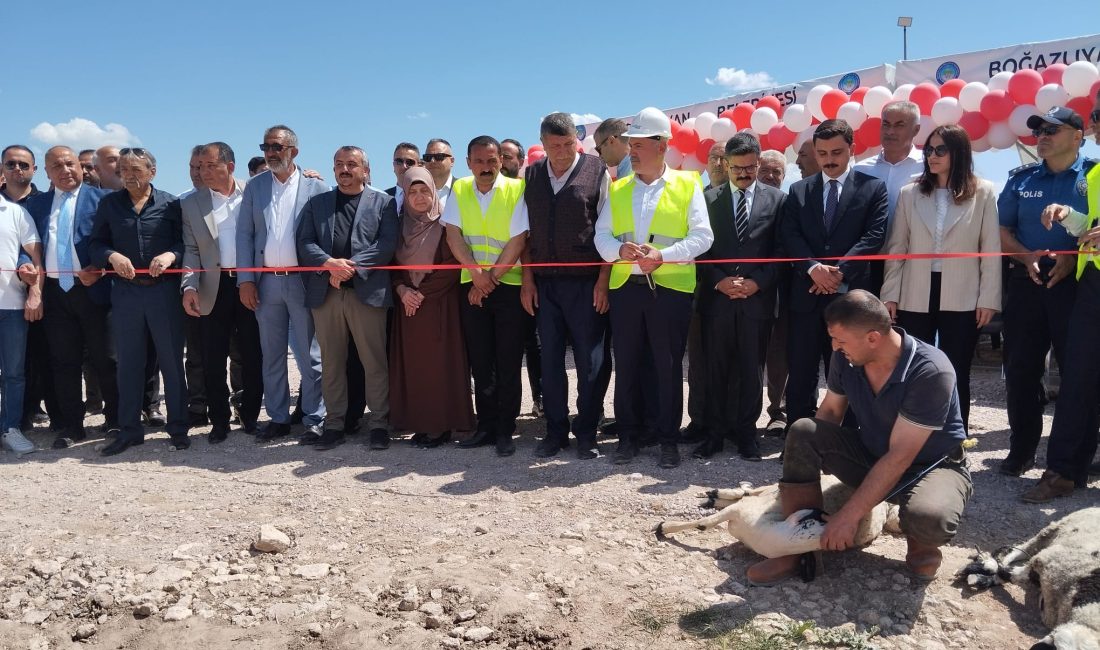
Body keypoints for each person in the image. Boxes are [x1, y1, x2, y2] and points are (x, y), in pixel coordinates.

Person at [746, 291, 971, 586]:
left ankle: (921, 543)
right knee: (803, 430)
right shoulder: (847, 357)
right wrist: (804, 464)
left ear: (873, 338)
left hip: (930, 466)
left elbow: (901, 456)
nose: (834, 347)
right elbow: (829, 412)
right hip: (875, 454)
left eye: (840, 340)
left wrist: (848, 517)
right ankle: (799, 548)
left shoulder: (930, 371)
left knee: (930, 517)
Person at [594, 107, 714, 469]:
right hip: (627, 288)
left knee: (667, 365)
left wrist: (664, 255)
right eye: (630, 144)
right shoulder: (617, 189)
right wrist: (619, 251)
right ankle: (628, 437)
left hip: (670, 290)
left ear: (662, 146)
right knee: (627, 365)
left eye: (640, 145)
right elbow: (601, 236)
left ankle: (667, 439)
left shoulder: (688, 184)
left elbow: (703, 237)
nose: (631, 151)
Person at [881, 124, 1001, 431]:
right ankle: (910, 434)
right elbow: (897, 247)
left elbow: (990, 249)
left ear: (958, 153)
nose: (931, 156)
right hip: (915, 291)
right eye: (929, 150)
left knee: (957, 366)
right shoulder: (911, 193)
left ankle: (954, 436)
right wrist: (890, 294)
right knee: (913, 366)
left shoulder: (984, 192)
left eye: (940, 150)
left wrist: (988, 298)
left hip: (963, 293)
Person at [996, 106, 1092, 477]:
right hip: (1027, 280)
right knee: (1020, 368)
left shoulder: (1094, 175)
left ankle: (1078, 459)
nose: (1043, 136)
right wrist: (1024, 256)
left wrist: (1074, 255)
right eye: (1040, 131)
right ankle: (1021, 451)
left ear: (1077, 137)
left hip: (1078, 284)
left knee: (1079, 371)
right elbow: (1003, 230)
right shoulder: (1020, 179)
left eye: (1053, 130)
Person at [779, 119, 888, 427]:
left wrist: (837, 273)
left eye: (837, 151)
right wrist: (814, 269)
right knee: (801, 370)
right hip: (805, 297)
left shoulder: (872, 188)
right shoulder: (798, 191)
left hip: (851, 299)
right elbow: (791, 236)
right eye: (823, 152)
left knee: (852, 369)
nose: (829, 159)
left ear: (851, 149)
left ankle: (853, 437)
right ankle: (799, 437)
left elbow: (874, 235)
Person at [1023, 92, 1100, 502]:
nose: (1098, 122)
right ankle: (1064, 471)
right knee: (1078, 380)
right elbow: (1093, 226)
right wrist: (1069, 217)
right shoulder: (1097, 175)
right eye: (1097, 115)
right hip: (1093, 288)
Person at [520, 114, 610, 460]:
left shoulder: (597, 171)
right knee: (550, 361)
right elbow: (524, 236)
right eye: (554, 145)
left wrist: (603, 281)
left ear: (578, 141)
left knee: (592, 361)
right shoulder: (530, 176)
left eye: (567, 144)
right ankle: (555, 431)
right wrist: (527, 280)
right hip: (545, 284)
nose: (560, 151)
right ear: (543, 144)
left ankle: (587, 432)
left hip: (586, 283)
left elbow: (608, 231)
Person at [89, 148, 189, 456]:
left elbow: (186, 243)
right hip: (126, 293)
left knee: (172, 363)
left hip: (164, 293)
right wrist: (111, 256)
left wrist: (171, 254)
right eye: (123, 170)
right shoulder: (109, 204)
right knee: (129, 364)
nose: (128, 176)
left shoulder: (172, 204)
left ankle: (179, 428)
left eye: (135, 170)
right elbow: (96, 244)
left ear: (152, 172)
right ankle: (129, 430)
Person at [296, 146, 397, 451]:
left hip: (366, 293)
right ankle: (335, 423)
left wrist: (350, 267)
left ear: (365, 170)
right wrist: (329, 265)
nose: (344, 169)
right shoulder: (318, 203)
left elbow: (387, 244)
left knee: (374, 362)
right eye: (339, 164)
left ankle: (379, 423)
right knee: (332, 363)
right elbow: (304, 242)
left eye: (351, 164)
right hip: (327, 293)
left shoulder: (384, 202)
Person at [695, 133, 785, 461]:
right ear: (726, 165)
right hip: (717, 300)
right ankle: (714, 434)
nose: (744, 174)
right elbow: (699, 249)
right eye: (737, 168)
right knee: (715, 370)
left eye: (750, 168)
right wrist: (718, 282)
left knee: (751, 370)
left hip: (757, 302)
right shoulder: (707, 200)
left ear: (758, 163)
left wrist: (756, 283)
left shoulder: (778, 200)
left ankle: (748, 435)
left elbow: (781, 251)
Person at [237, 125, 328, 442]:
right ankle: (277, 418)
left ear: (294, 151)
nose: (271, 153)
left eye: (277, 147)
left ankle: (315, 417)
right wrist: (245, 280)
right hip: (266, 284)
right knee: (271, 355)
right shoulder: (255, 187)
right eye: (266, 147)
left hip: (302, 282)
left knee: (310, 356)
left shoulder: (316, 188)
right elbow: (244, 235)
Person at [24, 147, 119, 449]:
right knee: (63, 362)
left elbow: (115, 241)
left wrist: (101, 269)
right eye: (57, 166)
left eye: (70, 164)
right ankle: (71, 425)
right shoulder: (36, 205)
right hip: (54, 293)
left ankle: (115, 421)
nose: (65, 170)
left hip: (94, 289)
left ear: (81, 167)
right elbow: (26, 245)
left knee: (106, 360)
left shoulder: (103, 199)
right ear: (47, 173)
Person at [443, 135, 529, 457]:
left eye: (492, 161)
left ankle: (506, 429)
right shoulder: (461, 189)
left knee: (507, 361)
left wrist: (489, 278)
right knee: (481, 361)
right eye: (479, 161)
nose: (486, 167)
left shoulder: (516, 189)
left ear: (501, 161)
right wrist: (477, 276)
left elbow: (518, 240)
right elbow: (454, 235)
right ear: (468, 163)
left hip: (507, 285)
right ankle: (486, 426)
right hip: (474, 286)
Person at [181, 142, 263, 443]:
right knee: (212, 358)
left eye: (209, 165)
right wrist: (188, 285)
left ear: (229, 166)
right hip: (212, 288)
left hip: (250, 284)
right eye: (199, 166)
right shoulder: (191, 204)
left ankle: (251, 416)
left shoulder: (254, 194)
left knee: (252, 354)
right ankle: (219, 421)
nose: (203, 171)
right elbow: (191, 250)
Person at [389, 167, 476, 445]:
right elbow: (392, 265)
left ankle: (442, 424)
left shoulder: (445, 224)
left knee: (440, 367)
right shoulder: (398, 226)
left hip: (439, 306)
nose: (419, 196)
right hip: (408, 308)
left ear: (434, 191)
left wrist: (420, 293)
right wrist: (402, 290)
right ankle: (418, 422)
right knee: (414, 368)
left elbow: (451, 266)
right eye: (412, 191)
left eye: (424, 190)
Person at [0, 194, 43, 457]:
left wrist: (34, 289)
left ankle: (10, 428)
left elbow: (32, 256)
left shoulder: (15, 212)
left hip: (11, 305)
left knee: (13, 374)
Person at [757, 148, 790, 434]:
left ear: (784, 176)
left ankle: (779, 412)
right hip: (751, 292)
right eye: (764, 170)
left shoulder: (789, 202)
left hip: (782, 292)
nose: (769, 176)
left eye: (776, 172)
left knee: (780, 356)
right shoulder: (746, 202)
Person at [854, 101, 924, 218]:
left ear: (916, 130)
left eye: (899, 125)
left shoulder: (929, 167)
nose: (890, 131)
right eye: (886, 124)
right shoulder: (860, 169)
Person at [385, 142, 421, 212]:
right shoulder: (382, 198)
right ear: (393, 165)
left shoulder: (427, 197)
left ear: (419, 166)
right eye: (399, 161)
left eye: (409, 162)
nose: (404, 166)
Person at [423, 139, 458, 211]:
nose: (432, 161)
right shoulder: (417, 191)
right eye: (428, 157)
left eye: (439, 157)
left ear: (452, 161)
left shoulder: (464, 188)